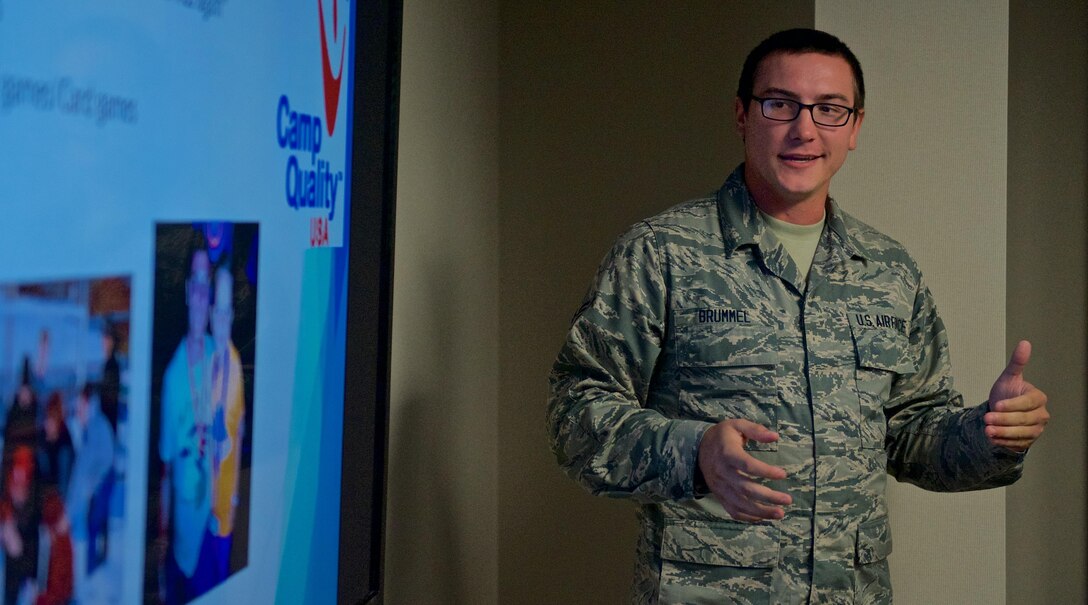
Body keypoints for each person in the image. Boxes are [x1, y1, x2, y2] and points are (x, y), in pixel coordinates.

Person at [547, 28, 1050, 604]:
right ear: (742, 114)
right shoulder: (661, 253)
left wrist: (991, 434)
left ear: (856, 127)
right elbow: (575, 413)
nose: (804, 129)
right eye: (779, 104)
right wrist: (695, 451)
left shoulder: (888, 271)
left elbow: (911, 435)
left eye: (830, 109)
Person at [159, 247, 216, 603]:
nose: (199, 293)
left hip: (215, 535)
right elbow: (165, 471)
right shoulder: (172, 377)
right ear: (185, 292)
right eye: (194, 283)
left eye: (205, 284)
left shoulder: (221, 357)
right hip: (182, 549)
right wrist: (163, 538)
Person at [208, 266, 245, 581]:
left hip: (222, 506)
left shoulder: (234, 366)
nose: (221, 320)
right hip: (200, 504)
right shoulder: (204, 360)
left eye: (226, 313)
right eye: (217, 313)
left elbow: (235, 431)